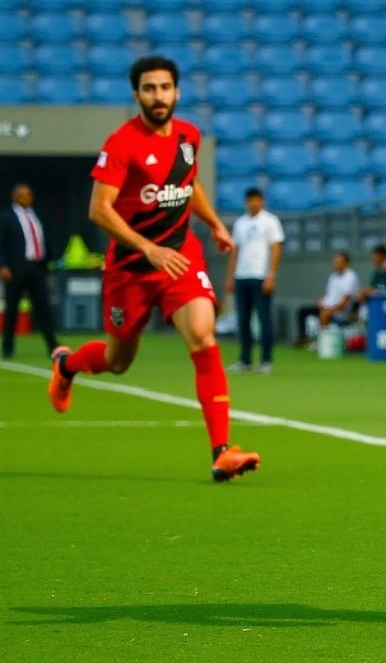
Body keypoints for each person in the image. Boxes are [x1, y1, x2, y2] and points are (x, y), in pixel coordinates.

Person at [46, 56, 259, 482]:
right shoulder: (121, 143)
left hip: (181, 256)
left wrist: (215, 223)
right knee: (116, 359)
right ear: (137, 95)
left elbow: (188, 184)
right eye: (149, 89)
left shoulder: (188, 136)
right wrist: (148, 248)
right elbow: (99, 210)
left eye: (165, 88)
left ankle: (222, 451)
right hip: (131, 268)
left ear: (177, 92)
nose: (158, 96)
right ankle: (67, 366)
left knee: (202, 334)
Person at [225, 187, 283, 374]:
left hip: (260, 275)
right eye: (250, 200)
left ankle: (266, 360)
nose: (253, 203)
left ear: (262, 201)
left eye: (256, 200)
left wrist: (271, 274)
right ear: (246, 202)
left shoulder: (270, 221)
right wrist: (231, 276)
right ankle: (245, 359)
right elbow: (235, 250)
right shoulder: (240, 223)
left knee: (264, 318)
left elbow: (275, 249)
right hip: (242, 276)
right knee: (243, 320)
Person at [1, 182, 59, 358]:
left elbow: (44, 239)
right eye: (22, 194)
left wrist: (48, 260)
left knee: (43, 308)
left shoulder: (37, 216)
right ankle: (8, 347)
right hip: (16, 268)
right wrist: (3, 266)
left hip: (37, 267)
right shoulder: (6, 217)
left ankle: (53, 346)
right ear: (14, 197)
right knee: (12, 309)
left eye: (28, 194)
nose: (25, 197)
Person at [295, 251, 360, 343]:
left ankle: (321, 343)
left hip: (341, 312)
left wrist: (330, 310)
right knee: (303, 311)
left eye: (338, 262)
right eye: (334, 261)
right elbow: (329, 296)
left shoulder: (351, 277)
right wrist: (321, 302)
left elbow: (344, 302)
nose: (335, 264)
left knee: (325, 314)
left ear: (346, 263)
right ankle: (304, 339)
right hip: (328, 307)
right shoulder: (333, 276)